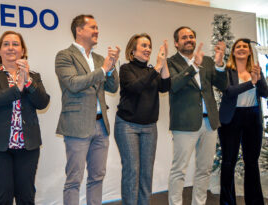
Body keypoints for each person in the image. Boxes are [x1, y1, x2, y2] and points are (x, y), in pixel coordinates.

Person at [0, 30, 50, 205]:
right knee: (3, 196)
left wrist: (27, 82)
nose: (11, 48)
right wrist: (16, 89)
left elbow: (42, 102)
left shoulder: (34, 76)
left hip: (27, 146)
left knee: (26, 196)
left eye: (15, 44)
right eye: (6, 44)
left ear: (23, 50)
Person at [55, 14, 120, 205]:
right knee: (74, 179)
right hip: (77, 125)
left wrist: (111, 67)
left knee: (97, 176)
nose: (97, 31)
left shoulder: (100, 58)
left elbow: (113, 87)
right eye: (92, 27)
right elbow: (73, 84)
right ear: (79, 30)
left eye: (97, 27)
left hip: (101, 125)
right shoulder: (65, 56)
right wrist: (101, 71)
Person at [167, 26, 227, 205]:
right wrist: (193, 66)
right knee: (179, 170)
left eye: (191, 36)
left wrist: (219, 64)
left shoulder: (207, 61)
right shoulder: (171, 62)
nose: (189, 39)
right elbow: (173, 85)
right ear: (177, 43)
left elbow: (223, 85)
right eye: (184, 37)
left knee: (204, 169)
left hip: (209, 122)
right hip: (184, 123)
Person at [114, 33, 170, 205]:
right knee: (132, 171)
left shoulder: (151, 70)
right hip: (127, 126)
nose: (148, 49)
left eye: (149, 46)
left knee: (146, 173)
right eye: (144, 46)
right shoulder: (125, 69)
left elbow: (166, 86)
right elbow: (135, 88)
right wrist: (156, 68)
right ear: (133, 50)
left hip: (149, 128)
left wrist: (164, 62)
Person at [218, 38, 268, 205]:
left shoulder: (255, 70)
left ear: (249, 51)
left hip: (253, 117)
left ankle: (255, 202)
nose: (241, 49)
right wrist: (251, 82)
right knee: (228, 162)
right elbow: (229, 91)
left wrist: (258, 78)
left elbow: (265, 93)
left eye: (244, 47)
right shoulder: (227, 71)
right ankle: (227, 202)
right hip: (231, 118)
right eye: (237, 46)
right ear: (233, 52)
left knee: (252, 163)